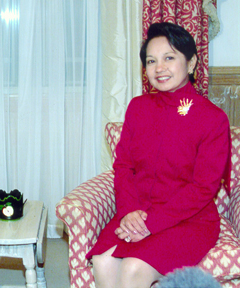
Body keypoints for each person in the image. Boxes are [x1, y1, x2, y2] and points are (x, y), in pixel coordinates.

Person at [87, 22, 231, 288]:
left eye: (169, 58)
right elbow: (124, 166)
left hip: (190, 220)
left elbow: (203, 188)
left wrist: (151, 224)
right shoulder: (138, 108)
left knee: (133, 267)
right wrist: (129, 212)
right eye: (151, 61)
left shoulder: (213, 119)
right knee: (102, 259)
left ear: (190, 63)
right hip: (136, 213)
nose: (159, 68)